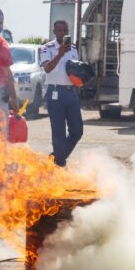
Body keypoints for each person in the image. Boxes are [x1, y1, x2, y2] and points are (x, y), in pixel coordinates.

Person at [39, 20, 83, 167]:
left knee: (77, 131)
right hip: (55, 93)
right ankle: (60, 164)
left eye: (65, 30)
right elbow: (47, 69)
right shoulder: (47, 48)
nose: (63, 33)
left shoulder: (74, 49)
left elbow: (74, 72)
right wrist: (59, 54)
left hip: (71, 93)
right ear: (54, 32)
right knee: (59, 134)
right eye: (59, 30)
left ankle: (57, 158)